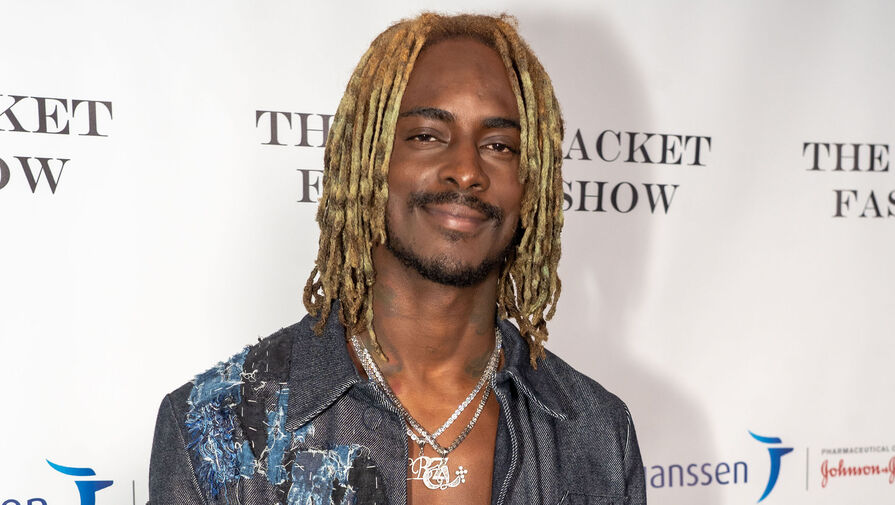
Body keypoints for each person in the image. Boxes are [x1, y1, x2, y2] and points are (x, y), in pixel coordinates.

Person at [149, 12, 646, 505]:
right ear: (367, 161)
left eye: (499, 145)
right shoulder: (216, 429)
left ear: (532, 183)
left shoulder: (598, 434)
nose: (466, 171)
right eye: (427, 136)